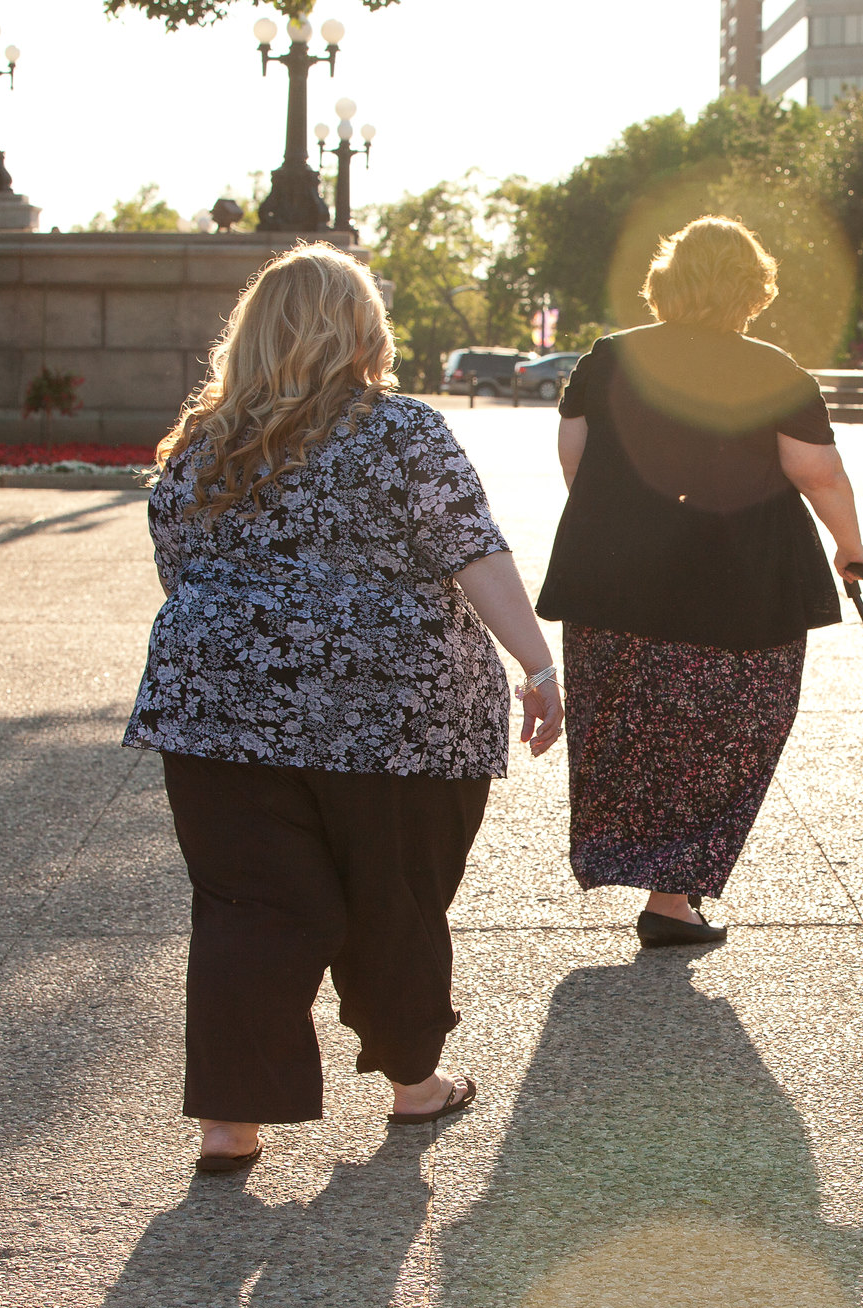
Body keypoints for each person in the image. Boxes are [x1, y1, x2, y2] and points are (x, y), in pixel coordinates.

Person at [123, 241, 564, 1173]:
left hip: (219, 708)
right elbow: (470, 550)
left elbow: (178, 567)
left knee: (247, 905)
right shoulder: (401, 430)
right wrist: (534, 663)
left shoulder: (203, 442)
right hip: (395, 711)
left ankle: (231, 1122)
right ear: (362, 329)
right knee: (395, 893)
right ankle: (414, 1084)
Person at [535, 216, 863, 948]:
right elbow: (817, 471)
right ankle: (670, 895)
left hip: (614, 585)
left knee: (626, 727)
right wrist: (852, 547)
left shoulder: (609, 358)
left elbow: (573, 456)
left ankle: (635, 865)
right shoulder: (772, 369)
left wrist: (618, 526)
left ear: (666, 283)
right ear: (752, 289)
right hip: (740, 589)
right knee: (731, 734)